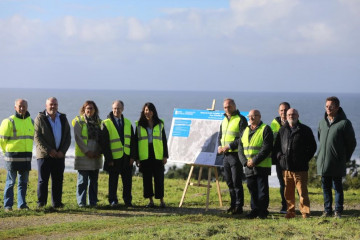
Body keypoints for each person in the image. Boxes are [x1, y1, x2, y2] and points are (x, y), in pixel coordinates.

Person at [273, 108, 317, 219]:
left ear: (298, 115)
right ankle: (290, 212)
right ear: (286, 116)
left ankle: (305, 213)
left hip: (300, 168)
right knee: (288, 193)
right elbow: (277, 147)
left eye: (293, 114)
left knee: (302, 192)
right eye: (289, 114)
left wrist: (304, 159)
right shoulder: (282, 130)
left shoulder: (305, 130)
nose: (291, 116)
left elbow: (312, 147)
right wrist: (280, 157)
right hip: (286, 168)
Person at [317, 96, 356, 218]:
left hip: (337, 162)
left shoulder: (345, 123)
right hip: (324, 162)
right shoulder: (322, 122)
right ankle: (327, 210)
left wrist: (344, 158)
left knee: (337, 187)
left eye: (331, 106)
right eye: (326, 106)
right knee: (325, 188)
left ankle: (338, 211)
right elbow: (320, 139)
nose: (328, 108)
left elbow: (351, 143)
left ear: (337, 107)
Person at [34, 97, 71, 208]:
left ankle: (57, 203)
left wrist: (62, 151)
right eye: (51, 104)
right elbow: (37, 137)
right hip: (44, 156)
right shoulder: (40, 118)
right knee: (43, 181)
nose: (53, 106)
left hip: (59, 156)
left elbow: (68, 137)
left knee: (58, 180)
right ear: (46, 106)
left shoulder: (63, 118)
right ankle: (41, 204)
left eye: (55, 104)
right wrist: (49, 150)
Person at [238, 109, 273, 219]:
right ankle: (254, 210)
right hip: (248, 166)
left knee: (262, 190)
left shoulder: (265, 129)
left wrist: (254, 161)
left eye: (254, 116)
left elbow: (266, 148)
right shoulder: (245, 130)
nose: (251, 118)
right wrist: (245, 162)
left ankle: (263, 212)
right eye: (250, 116)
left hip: (261, 165)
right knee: (252, 189)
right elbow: (240, 148)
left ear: (259, 116)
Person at [0, 99, 34, 211]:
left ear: (27, 107)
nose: (22, 108)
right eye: (19, 106)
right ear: (15, 107)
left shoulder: (31, 121)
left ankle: (22, 205)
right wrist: (6, 153)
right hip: (12, 157)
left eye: (24, 106)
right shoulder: (9, 121)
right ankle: (8, 206)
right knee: (10, 182)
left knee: (23, 183)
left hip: (26, 157)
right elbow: (2, 140)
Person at [100, 100, 135, 207]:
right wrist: (109, 159)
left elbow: (133, 141)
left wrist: (133, 157)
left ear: (122, 109)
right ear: (112, 109)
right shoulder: (105, 123)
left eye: (119, 108)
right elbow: (104, 144)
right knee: (113, 181)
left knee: (127, 182)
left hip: (127, 157)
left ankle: (127, 201)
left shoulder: (128, 123)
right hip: (113, 159)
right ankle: (113, 200)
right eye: (115, 108)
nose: (116, 110)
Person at [135, 102, 168, 208]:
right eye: (145, 110)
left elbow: (163, 140)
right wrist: (137, 158)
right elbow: (136, 142)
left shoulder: (160, 123)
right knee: (147, 179)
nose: (147, 112)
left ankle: (162, 201)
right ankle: (151, 201)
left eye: (149, 110)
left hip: (157, 154)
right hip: (145, 155)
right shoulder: (139, 124)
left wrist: (165, 155)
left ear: (153, 112)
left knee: (159, 178)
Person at [217, 98, 247, 214]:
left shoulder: (241, 119)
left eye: (229, 107)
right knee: (229, 181)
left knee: (236, 181)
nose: (227, 109)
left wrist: (229, 146)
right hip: (225, 155)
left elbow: (242, 138)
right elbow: (220, 136)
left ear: (234, 106)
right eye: (225, 107)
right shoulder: (224, 120)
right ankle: (232, 205)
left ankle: (239, 207)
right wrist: (220, 146)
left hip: (235, 155)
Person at [72, 100, 103, 207]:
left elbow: (103, 138)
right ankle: (81, 203)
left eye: (91, 108)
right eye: (87, 108)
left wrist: (98, 151)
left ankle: (93, 202)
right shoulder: (78, 121)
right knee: (82, 181)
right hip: (83, 156)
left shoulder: (100, 122)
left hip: (96, 155)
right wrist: (87, 151)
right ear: (84, 109)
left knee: (94, 182)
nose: (89, 110)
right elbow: (78, 138)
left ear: (95, 110)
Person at [270, 102, 290, 214]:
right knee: (282, 183)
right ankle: (284, 205)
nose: (284, 112)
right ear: (279, 112)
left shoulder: (296, 122)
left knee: (293, 183)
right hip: (279, 160)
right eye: (282, 110)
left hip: (292, 160)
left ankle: (295, 205)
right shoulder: (273, 124)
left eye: (286, 110)